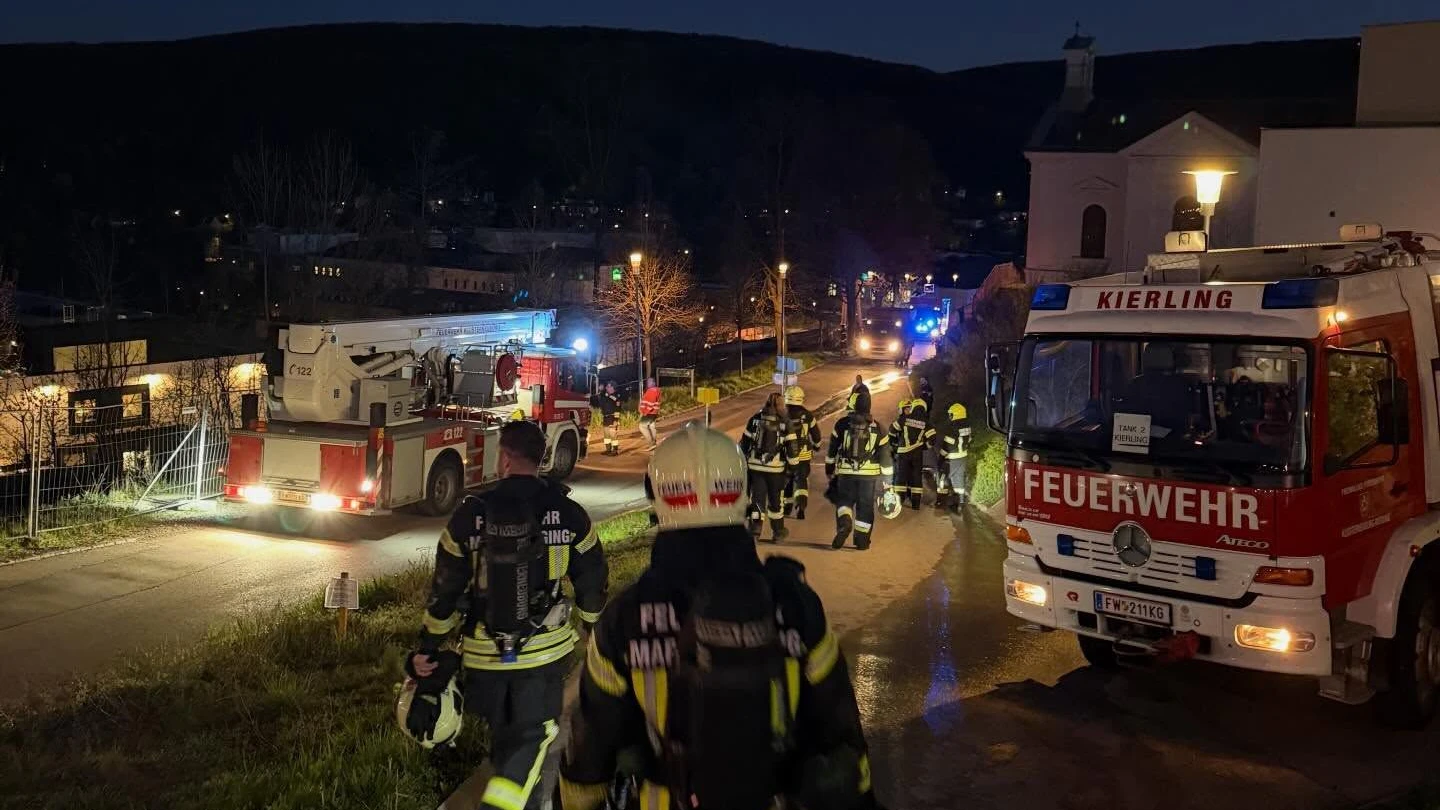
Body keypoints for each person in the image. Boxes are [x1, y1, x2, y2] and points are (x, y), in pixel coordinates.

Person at [558, 424, 876, 810]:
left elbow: (590, 746)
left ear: (656, 498)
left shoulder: (626, 617)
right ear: (741, 493)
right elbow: (839, 728)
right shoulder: (793, 603)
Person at [405, 420, 607, 810]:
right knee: (531, 741)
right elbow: (592, 578)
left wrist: (427, 648)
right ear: (539, 458)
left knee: (507, 745)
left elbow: (444, 591)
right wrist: (594, 630)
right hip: (544, 658)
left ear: (506, 458)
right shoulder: (568, 514)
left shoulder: (471, 514)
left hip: (483, 658)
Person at [825, 394, 894, 550]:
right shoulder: (879, 428)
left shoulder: (842, 424)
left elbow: (832, 450)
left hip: (846, 473)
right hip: (869, 477)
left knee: (844, 502)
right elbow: (886, 459)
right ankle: (862, 541)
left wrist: (829, 469)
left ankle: (844, 524)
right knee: (865, 508)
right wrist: (888, 483)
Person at [739, 391, 798, 542]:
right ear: (781, 405)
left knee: (757, 499)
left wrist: (744, 462)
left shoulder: (754, 420)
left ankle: (755, 529)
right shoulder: (785, 423)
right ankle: (778, 532)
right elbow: (791, 449)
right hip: (776, 469)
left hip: (756, 468)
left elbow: (744, 444)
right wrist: (793, 468)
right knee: (775, 501)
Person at [782, 385, 823, 520]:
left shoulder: (781, 414)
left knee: (787, 480)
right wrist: (817, 446)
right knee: (801, 479)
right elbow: (816, 434)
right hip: (803, 454)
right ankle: (801, 505)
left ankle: (786, 508)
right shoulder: (808, 416)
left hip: (786, 454)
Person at [889, 396, 934, 510]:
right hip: (917, 454)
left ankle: (900, 500)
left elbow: (892, 430)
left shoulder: (904, 419)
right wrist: (923, 446)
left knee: (901, 476)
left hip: (903, 453)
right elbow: (932, 439)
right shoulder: (926, 423)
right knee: (916, 477)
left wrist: (894, 445)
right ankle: (916, 504)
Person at [934, 402, 973, 513]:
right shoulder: (967, 426)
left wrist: (940, 458)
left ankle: (940, 502)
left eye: (951, 414)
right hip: (963, 458)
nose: (950, 416)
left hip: (951, 459)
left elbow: (946, 446)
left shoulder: (952, 428)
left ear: (956, 414)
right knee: (959, 480)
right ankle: (960, 504)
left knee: (942, 479)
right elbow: (969, 441)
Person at [592, 381, 622, 456]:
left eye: (608, 386)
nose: (606, 388)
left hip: (612, 417)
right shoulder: (605, 395)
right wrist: (600, 391)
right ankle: (608, 449)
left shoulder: (616, 396)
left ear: (612, 387)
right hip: (605, 417)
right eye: (606, 386)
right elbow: (599, 400)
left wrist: (616, 420)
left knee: (613, 435)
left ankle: (615, 450)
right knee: (606, 436)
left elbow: (618, 409)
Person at [638, 378, 662, 450]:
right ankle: (653, 443)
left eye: (649, 382)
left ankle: (651, 443)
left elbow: (650, 403)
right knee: (652, 427)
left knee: (642, 426)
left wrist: (645, 412)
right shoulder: (656, 390)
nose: (647, 384)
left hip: (649, 413)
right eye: (647, 382)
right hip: (653, 412)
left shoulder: (652, 390)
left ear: (653, 383)